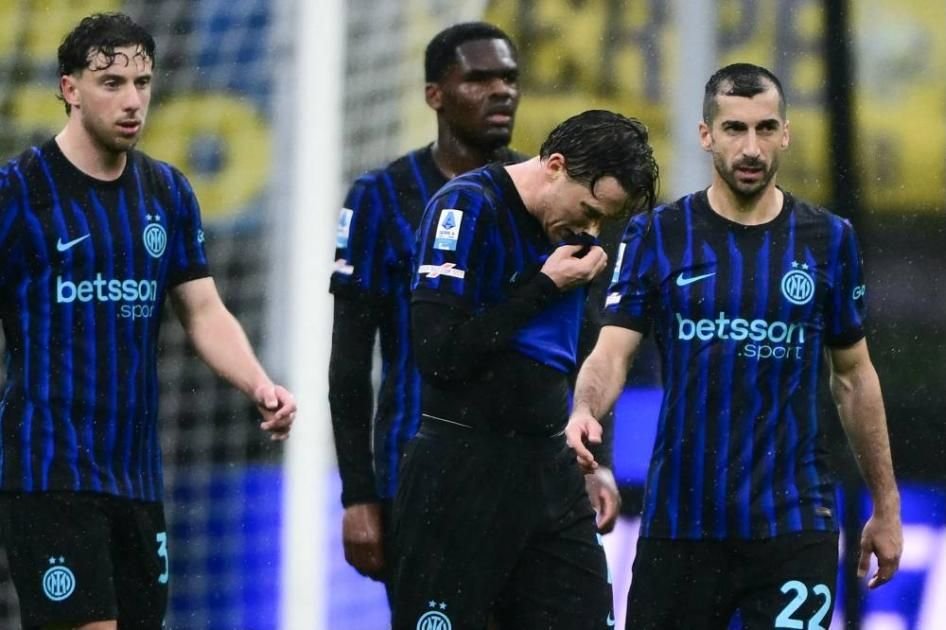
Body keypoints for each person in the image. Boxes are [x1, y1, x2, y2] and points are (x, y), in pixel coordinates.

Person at [566, 63, 903, 629]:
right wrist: (584, 410)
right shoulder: (657, 234)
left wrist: (886, 506)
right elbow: (612, 353)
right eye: (734, 129)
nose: (751, 148)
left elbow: (853, 376)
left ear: (785, 133)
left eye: (766, 128)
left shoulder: (829, 239)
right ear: (706, 135)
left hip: (794, 521)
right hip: (681, 521)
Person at [0, 13, 296, 630]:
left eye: (142, 83)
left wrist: (258, 384)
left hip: (134, 474)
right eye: (111, 83)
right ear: (69, 88)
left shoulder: (167, 192)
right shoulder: (19, 191)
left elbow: (203, 309)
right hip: (48, 468)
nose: (133, 100)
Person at [328, 21, 622, 590]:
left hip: (535, 472)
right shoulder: (381, 197)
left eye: (509, 78)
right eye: (479, 79)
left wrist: (594, 458)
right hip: (419, 471)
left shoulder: (559, 196)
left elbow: (585, 345)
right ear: (434, 95)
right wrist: (358, 493)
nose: (501, 91)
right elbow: (350, 360)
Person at [391, 109, 659, 630]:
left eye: (604, 220)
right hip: (461, 470)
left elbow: (583, 350)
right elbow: (438, 354)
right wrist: (543, 286)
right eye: (588, 211)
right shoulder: (467, 207)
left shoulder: (573, 241)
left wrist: (597, 461)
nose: (591, 230)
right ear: (555, 166)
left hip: (550, 474)